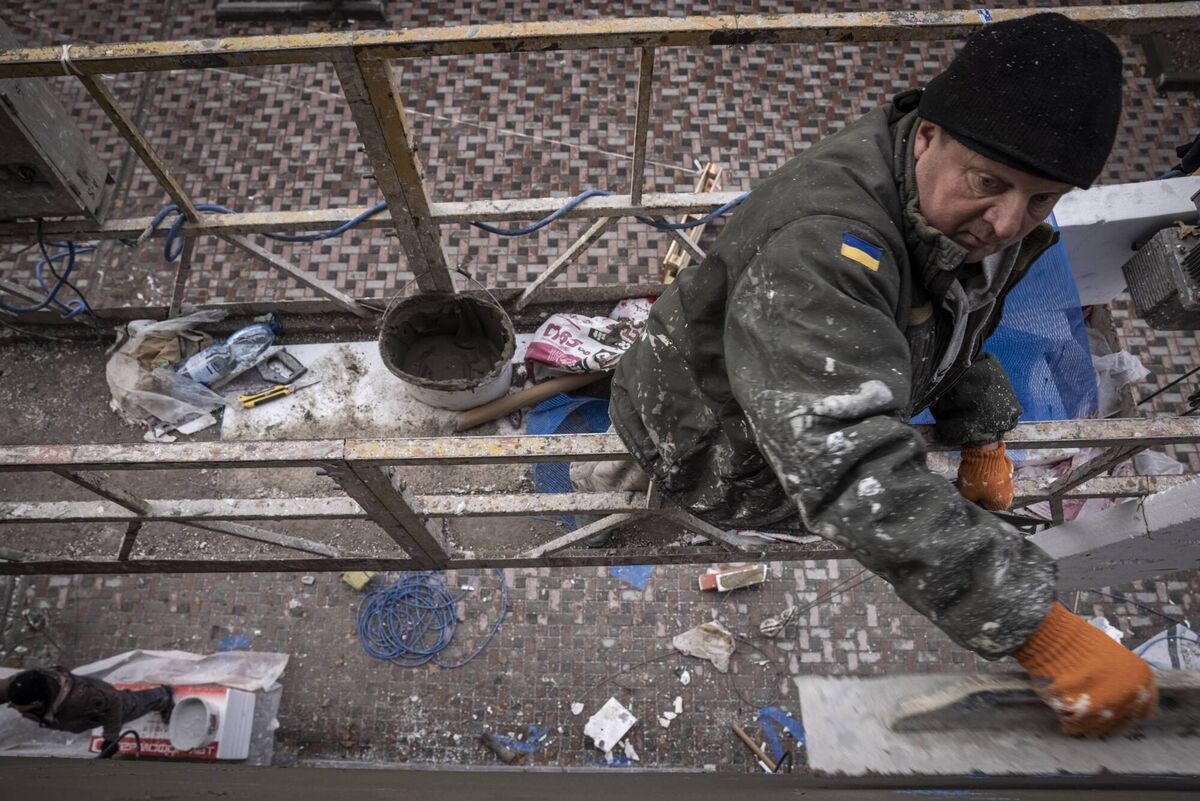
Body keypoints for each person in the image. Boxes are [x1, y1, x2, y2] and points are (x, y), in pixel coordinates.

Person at [608, 13, 1157, 736]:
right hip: (710, 445)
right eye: (991, 183)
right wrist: (1037, 630)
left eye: (1041, 199)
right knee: (824, 484)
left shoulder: (946, 202)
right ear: (927, 134)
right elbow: (846, 466)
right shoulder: (822, 252)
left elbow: (954, 315)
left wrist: (980, 429)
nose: (1006, 221)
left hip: (776, 392)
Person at [0, 666, 174, 757]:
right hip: (78, 710)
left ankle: (162, 696)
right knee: (112, 706)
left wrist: (110, 738)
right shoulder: (19, 686)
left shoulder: (79, 700)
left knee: (127, 705)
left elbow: (113, 701)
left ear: (37, 703)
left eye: (16, 705)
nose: (12, 707)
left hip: (99, 698)